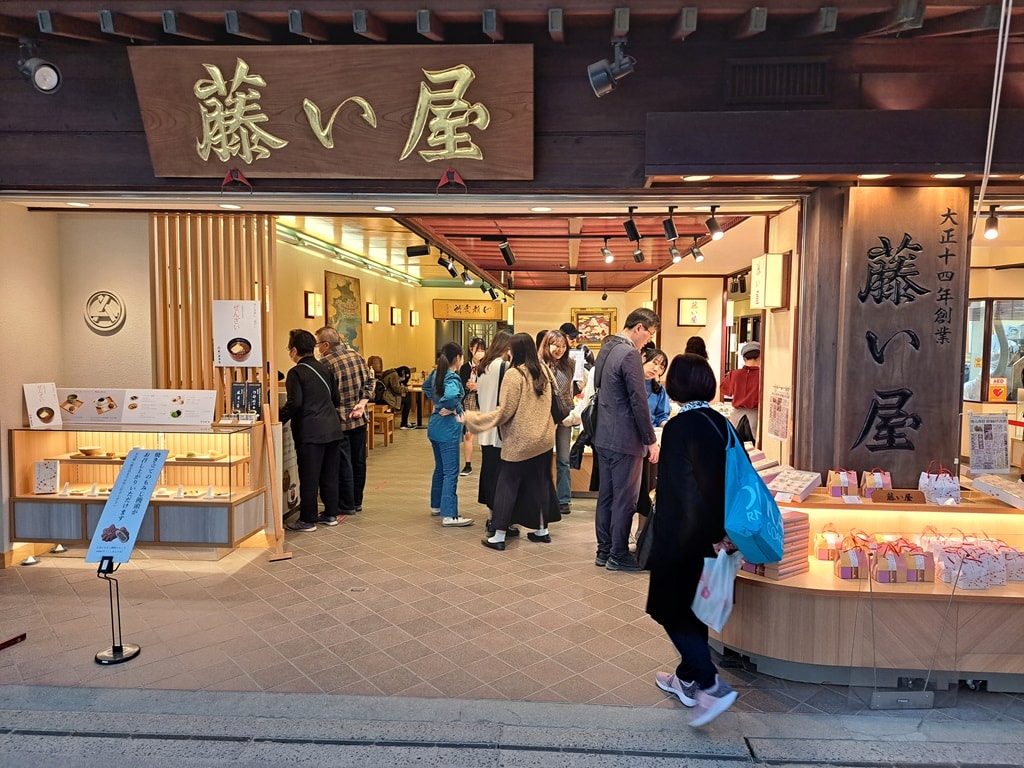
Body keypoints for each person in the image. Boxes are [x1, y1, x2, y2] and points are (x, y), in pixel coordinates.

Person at [647, 352, 739, 727]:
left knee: (668, 608)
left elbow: (682, 492)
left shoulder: (679, 427)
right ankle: (685, 680)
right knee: (692, 609)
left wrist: (695, 536)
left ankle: (710, 684)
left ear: (676, 385)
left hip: (683, 536)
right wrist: (722, 534)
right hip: (713, 534)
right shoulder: (721, 423)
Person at [464, 333, 561, 550]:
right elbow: (556, 400)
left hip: (519, 441)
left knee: (507, 486)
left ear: (515, 351)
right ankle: (541, 531)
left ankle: (498, 536)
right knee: (540, 485)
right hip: (544, 439)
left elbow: (504, 412)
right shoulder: (544, 370)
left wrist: (474, 419)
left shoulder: (514, 375)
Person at [592, 307, 661, 572]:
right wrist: (650, 439)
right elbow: (638, 400)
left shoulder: (607, 348)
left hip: (604, 435)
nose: (648, 342)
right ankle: (618, 554)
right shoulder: (630, 352)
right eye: (649, 334)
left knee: (607, 496)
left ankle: (604, 550)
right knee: (625, 499)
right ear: (639, 328)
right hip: (625, 439)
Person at [279, 328, 343, 532]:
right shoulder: (324, 368)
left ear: (294, 350)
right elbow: (336, 399)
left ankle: (307, 519)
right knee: (329, 473)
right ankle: (331, 514)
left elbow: (295, 403)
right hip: (332, 428)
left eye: (290, 349)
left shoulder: (296, 372)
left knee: (309, 475)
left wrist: (278, 418)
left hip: (311, 431)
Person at [316, 326, 374, 515]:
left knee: (343, 463)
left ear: (326, 344)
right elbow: (371, 383)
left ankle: (346, 504)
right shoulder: (357, 357)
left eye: (318, 344)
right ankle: (357, 501)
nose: (318, 349)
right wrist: (362, 403)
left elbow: (324, 395)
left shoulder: (326, 363)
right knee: (359, 461)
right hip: (359, 417)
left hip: (339, 420)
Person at [423, 342, 474, 527]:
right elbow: (452, 396)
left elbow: (426, 388)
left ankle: (437, 505)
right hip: (448, 430)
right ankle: (450, 514)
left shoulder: (436, 373)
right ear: (459, 358)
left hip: (435, 427)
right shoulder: (452, 377)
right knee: (451, 471)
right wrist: (448, 406)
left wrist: (437, 403)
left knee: (440, 469)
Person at [474, 331, 519, 536]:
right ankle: (499, 520)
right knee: (502, 476)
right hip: (499, 430)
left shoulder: (483, 366)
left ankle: (492, 516)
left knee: (489, 472)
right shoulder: (503, 367)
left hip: (486, 428)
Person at [540, 328, 576, 515]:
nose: (559, 349)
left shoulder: (569, 364)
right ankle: (544, 496)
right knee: (544, 459)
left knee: (563, 458)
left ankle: (563, 499)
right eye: (556, 345)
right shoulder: (539, 364)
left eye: (563, 346)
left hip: (564, 415)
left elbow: (568, 390)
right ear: (547, 344)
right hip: (544, 416)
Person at [636, 348, 670, 525]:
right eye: (654, 362)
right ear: (643, 359)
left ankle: (641, 533)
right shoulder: (630, 382)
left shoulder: (659, 390)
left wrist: (668, 425)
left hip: (652, 444)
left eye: (661, 366)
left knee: (648, 489)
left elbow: (661, 416)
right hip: (630, 442)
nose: (657, 368)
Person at [720, 341, 761, 436]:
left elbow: (724, 389)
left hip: (737, 416)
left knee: (736, 444)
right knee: (754, 448)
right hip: (755, 416)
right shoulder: (762, 376)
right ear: (760, 357)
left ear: (744, 358)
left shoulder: (734, 374)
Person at [459, 337, 487, 476]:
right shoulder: (465, 367)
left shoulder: (487, 366)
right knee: (469, 434)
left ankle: (488, 463)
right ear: (471, 349)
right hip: (470, 400)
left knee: (487, 432)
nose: (480, 353)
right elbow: (461, 385)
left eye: (482, 350)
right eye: (477, 349)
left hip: (485, 400)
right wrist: (467, 385)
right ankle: (468, 464)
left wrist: (479, 386)